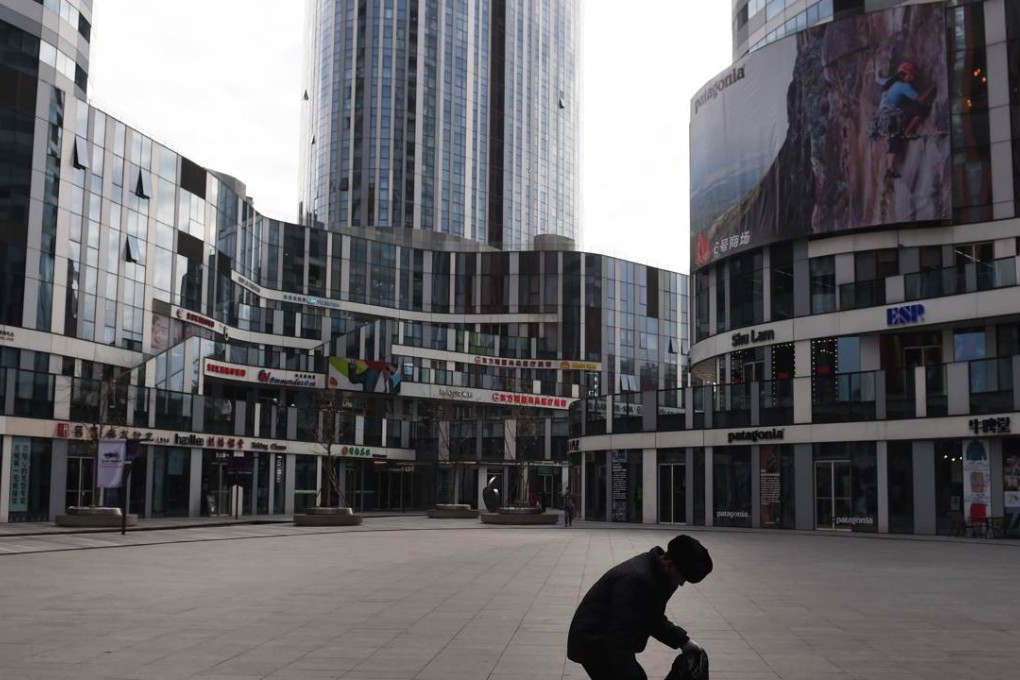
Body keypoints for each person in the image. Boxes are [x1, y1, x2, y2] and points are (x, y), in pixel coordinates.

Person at [567, 534, 712, 680]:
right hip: (593, 641)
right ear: (669, 563)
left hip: (609, 638)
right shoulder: (636, 580)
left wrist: (683, 641)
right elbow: (619, 638)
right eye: (683, 577)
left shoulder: (661, 575)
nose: (682, 583)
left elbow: (652, 618)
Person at [873, 61, 935, 179]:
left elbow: (878, 79)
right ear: (904, 74)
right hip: (891, 117)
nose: (913, 78)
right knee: (922, 109)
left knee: (895, 138)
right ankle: (907, 132)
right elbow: (920, 99)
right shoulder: (904, 86)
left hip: (882, 118)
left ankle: (890, 168)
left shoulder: (891, 81)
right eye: (911, 75)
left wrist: (877, 72)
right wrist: (932, 88)